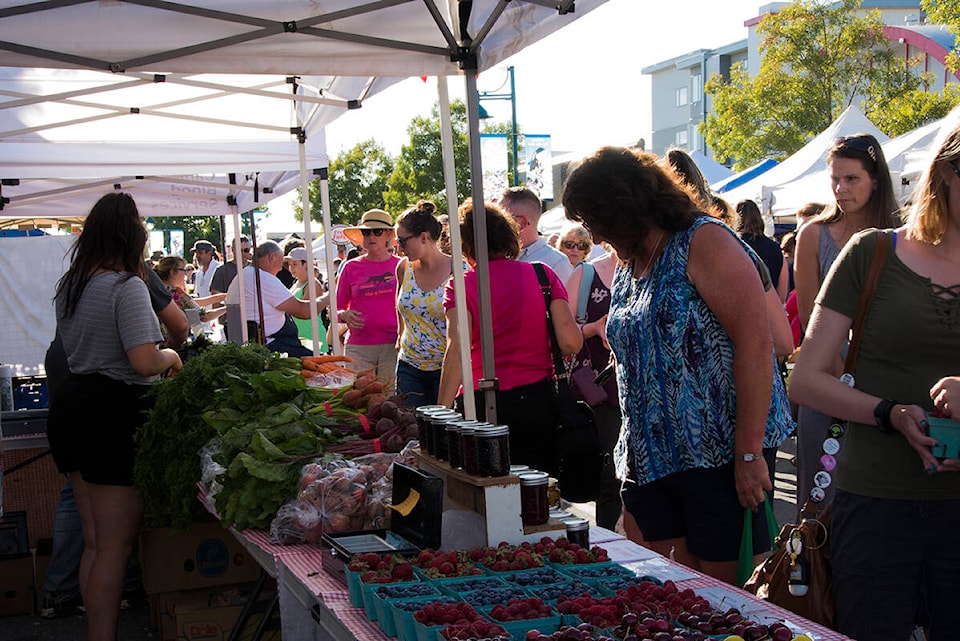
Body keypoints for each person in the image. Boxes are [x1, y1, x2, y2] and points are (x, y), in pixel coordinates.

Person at [561, 147, 793, 585]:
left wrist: (748, 453)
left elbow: (757, 345)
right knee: (667, 596)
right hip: (650, 462)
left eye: (595, 219)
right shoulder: (632, 260)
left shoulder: (705, 239)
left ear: (623, 204)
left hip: (719, 460)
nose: (593, 235)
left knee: (725, 600)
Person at [788, 120, 960, 641]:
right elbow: (807, 380)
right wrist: (889, 413)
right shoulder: (872, 252)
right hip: (875, 499)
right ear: (946, 173)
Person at [46, 192, 183, 641]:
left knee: (95, 542)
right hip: (114, 417)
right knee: (114, 548)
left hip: (75, 410)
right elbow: (144, 361)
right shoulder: (126, 288)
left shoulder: (73, 284)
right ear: (132, 236)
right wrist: (172, 359)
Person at [793, 134, 900, 510]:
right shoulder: (814, 234)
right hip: (827, 380)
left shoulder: (903, 236)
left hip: (891, 385)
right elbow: (810, 321)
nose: (840, 189)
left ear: (876, 179)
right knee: (822, 507)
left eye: (851, 179)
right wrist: (845, 381)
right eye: (835, 179)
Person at [437, 199, 582, 474]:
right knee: (536, 493)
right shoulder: (542, 274)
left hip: (482, 402)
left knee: (487, 492)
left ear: (465, 245)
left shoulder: (462, 285)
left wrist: (440, 412)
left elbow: (457, 349)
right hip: (537, 401)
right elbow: (570, 343)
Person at [565, 245, 623, 530]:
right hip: (600, 392)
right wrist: (594, 328)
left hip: (644, 389)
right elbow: (561, 333)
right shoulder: (586, 273)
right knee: (608, 475)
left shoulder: (652, 269)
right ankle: (611, 547)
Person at [394, 201, 453, 408]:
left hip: (446, 368)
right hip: (409, 365)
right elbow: (400, 303)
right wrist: (400, 333)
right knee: (409, 428)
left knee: (443, 433)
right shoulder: (403, 268)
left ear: (424, 237)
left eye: (402, 241)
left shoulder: (459, 269)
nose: (399, 249)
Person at [224, 240, 327, 357]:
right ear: (272, 257)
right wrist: (328, 297)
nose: (281, 269)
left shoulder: (243, 275)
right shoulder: (261, 278)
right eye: (281, 261)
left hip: (258, 342)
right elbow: (304, 311)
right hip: (271, 345)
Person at [337, 209, 402, 389]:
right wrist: (344, 315)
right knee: (360, 400)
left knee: (390, 402)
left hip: (394, 344)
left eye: (377, 231)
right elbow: (335, 310)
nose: (371, 236)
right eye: (366, 232)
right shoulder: (350, 267)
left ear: (389, 234)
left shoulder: (402, 265)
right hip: (359, 346)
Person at [499, 186, 574, 283]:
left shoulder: (557, 263)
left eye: (501, 218)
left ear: (521, 223)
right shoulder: (496, 257)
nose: (495, 222)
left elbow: (569, 298)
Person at [736, 199, 787, 302]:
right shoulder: (775, 248)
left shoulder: (735, 246)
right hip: (771, 309)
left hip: (744, 308)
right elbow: (782, 295)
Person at [155, 256, 227, 328]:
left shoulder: (157, 290)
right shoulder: (176, 293)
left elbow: (191, 303)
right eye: (183, 270)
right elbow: (203, 316)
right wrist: (228, 308)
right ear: (173, 273)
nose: (185, 274)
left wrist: (218, 298)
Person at [286, 246, 329, 352]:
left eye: (295, 264)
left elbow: (304, 311)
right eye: (290, 264)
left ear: (306, 264)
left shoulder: (312, 283)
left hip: (312, 336)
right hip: (300, 336)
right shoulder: (296, 283)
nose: (291, 268)